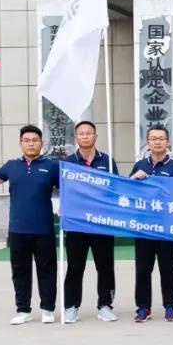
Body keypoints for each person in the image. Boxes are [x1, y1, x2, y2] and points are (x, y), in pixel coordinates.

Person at [0, 125, 60, 325]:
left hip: (44, 229)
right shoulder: (12, 166)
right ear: (20, 143)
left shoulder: (51, 167)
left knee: (47, 270)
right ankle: (23, 310)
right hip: (18, 229)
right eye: (26, 140)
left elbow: (67, 189)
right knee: (20, 271)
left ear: (41, 143)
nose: (31, 144)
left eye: (34, 140)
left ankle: (47, 309)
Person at [62, 120, 119, 323]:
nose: (85, 136)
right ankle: (71, 307)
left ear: (95, 136)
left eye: (89, 133)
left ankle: (105, 305)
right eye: (81, 133)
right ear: (76, 137)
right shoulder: (68, 163)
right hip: (77, 224)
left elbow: (115, 188)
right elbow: (62, 189)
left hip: (102, 223)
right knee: (75, 267)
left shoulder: (108, 161)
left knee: (105, 267)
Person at [129, 125, 173, 322]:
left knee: (168, 267)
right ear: (148, 142)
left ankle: (170, 305)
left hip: (167, 227)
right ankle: (143, 307)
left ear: (167, 142)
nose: (157, 142)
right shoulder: (139, 166)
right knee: (143, 268)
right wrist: (134, 178)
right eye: (153, 139)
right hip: (144, 227)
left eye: (161, 138)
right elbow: (128, 192)